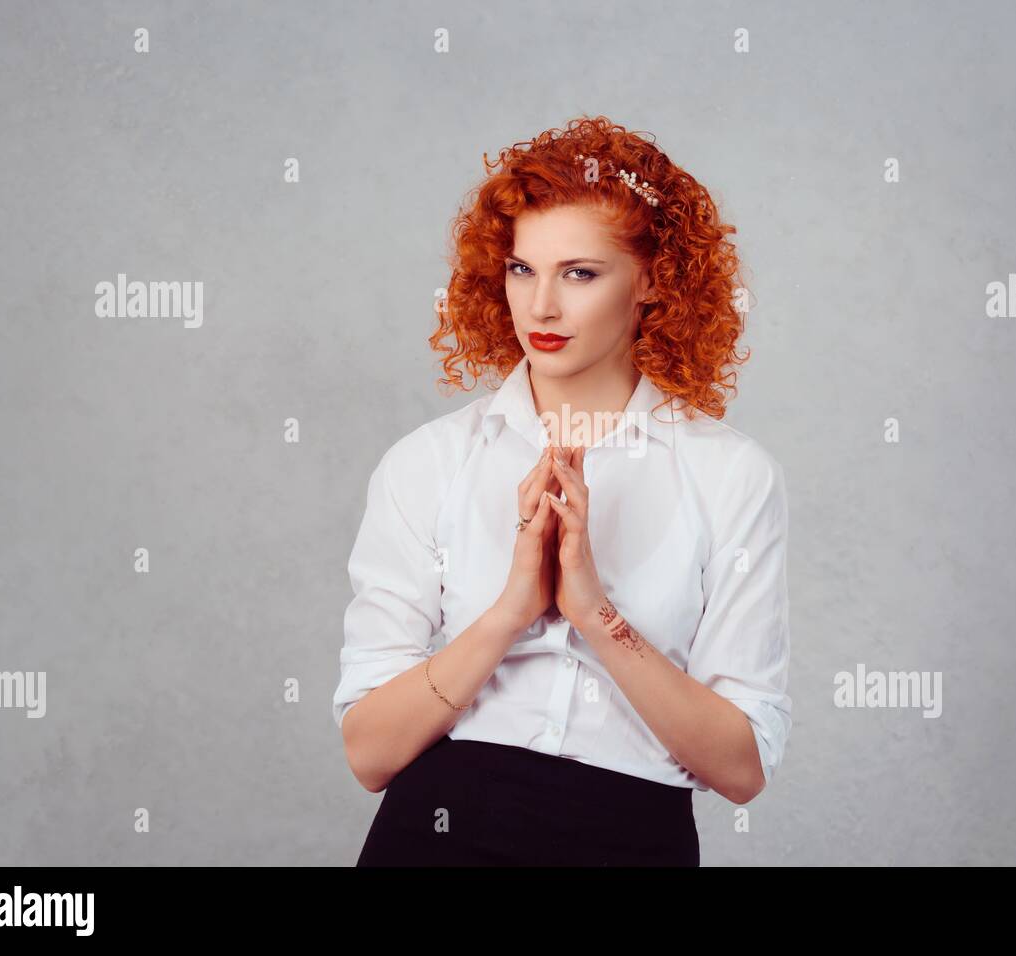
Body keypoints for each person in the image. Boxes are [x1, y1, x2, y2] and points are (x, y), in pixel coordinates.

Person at [334, 115, 792, 866]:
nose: (540, 306)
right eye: (522, 269)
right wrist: (512, 612)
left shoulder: (731, 475)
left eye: (580, 273)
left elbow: (741, 768)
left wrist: (593, 611)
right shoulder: (428, 463)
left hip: (631, 838)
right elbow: (370, 754)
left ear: (651, 280)